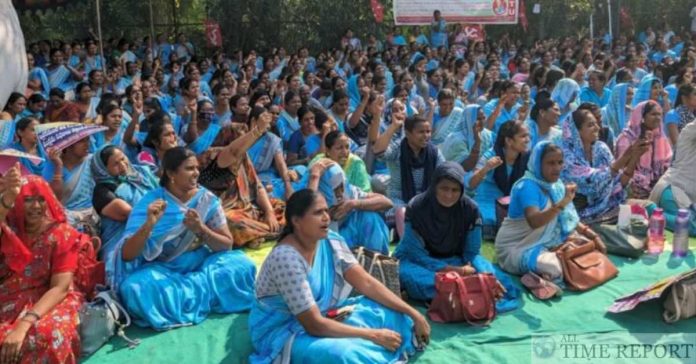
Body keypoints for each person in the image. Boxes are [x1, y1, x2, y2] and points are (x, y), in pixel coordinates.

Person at [248, 189, 430, 364]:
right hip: (284, 333)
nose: (326, 217)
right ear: (296, 221)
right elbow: (314, 325)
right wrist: (373, 335)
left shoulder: (330, 240)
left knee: (389, 312)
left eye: (326, 211)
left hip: (324, 315)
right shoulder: (285, 259)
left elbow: (366, 282)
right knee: (346, 355)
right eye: (318, 212)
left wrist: (413, 313)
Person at [108, 147, 256, 329]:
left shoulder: (206, 200)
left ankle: (183, 297)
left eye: (197, 168)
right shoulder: (150, 202)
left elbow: (226, 245)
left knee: (242, 265)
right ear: (171, 173)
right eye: (189, 169)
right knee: (134, 289)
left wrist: (201, 229)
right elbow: (128, 255)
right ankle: (206, 294)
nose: (196, 174)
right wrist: (149, 224)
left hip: (200, 264)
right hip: (163, 269)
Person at [394, 162, 520, 310]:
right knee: (408, 275)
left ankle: (459, 291)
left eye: (455, 190)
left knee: (496, 278)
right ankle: (471, 290)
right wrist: (450, 270)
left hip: (457, 260)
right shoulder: (417, 207)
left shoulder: (470, 209)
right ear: (434, 187)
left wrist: (486, 276)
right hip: (419, 262)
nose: (449, 195)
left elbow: (471, 253)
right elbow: (414, 252)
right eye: (444, 188)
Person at [0, 170, 86, 364]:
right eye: (28, 199)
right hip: (12, 296)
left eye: (41, 199)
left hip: (52, 298)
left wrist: (23, 325)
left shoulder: (62, 234)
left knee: (47, 335)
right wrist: (6, 199)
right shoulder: (9, 229)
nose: (36, 206)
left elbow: (60, 287)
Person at [495, 142, 606, 291]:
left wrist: (593, 236)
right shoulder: (527, 186)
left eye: (560, 162)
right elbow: (534, 221)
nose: (557, 168)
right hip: (517, 248)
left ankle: (543, 275)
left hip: (548, 243)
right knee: (555, 268)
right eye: (550, 163)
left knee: (589, 252)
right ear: (537, 163)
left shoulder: (556, 185)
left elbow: (569, 218)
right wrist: (563, 202)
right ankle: (541, 276)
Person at [198, 109, 285, 248]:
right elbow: (232, 152)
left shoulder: (243, 158)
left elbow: (257, 187)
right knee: (233, 224)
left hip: (248, 209)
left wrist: (269, 213)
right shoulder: (211, 156)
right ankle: (264, 232)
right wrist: (257, 130)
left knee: (282, 206)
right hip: (225, 211)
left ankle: (262, 232)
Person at [561, 109, 642, 224]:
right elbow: (592, 181)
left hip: (611, 204)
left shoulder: (601, 149)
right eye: (590, 125)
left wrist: (635, 156)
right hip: (585, 216)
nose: (597, 128)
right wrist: (624, 158)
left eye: (596, 124)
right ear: (576, 131)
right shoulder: (567, 157)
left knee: (649, 208)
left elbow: (619, 182)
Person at [308, 159, 392, 254]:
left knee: (369, 216)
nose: (340, 194)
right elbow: (307, 216)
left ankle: (373, 262)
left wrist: (353, 204)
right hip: (321, 248)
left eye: (341, 186)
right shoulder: (306, 194)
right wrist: (314, 177)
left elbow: (387, 203)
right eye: (335, 188)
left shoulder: (349, 191)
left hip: (347, 239)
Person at [91, 145, 159, 258]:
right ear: (104, 169)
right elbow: (129, 213)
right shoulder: (102, 190)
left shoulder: (140, 175)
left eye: (123, 159)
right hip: (121, 245)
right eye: (115, 164)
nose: (123, 166)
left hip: (152, 231)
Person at [465, 121, 530, 238]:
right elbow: (471, 184)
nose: (527, 140)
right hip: (487, 200)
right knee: (487, 220)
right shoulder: (492, 155)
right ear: (509, 141)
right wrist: (486, 168)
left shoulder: (526, 157)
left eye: (528, 136)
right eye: (523, 136)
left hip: (511, 201)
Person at [372, 114, 445, 218]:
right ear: (407, 133)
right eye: (421, 132)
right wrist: (393, 127)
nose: (426, 135)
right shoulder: (398, 149)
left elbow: (444, 172)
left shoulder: (433, 152)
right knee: (406, 213)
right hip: (399, 199)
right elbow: (378, 151)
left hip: (427, 199)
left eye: (428, 132)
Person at [615, 100, 672, 199]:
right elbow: (622, 168)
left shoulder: (660, 138)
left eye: (660, 115)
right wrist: (644, 181)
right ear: (641, 117)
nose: (658, 118)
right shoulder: (626, 138)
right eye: (653, 114)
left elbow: (668, 161)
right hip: (632, 185)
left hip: (657, 185)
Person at [44, 134, 98, 234]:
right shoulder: (52, 164)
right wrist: (58, 166)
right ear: (67, 144)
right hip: (64, 218)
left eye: (88, 140)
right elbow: (55, 198)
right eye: (82, 141)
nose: (87, 144)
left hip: (90, 216)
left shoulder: (92, 161)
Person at [650, 121, 696, 236]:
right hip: (673, 189)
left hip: (689, 199)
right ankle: (650, 212)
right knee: (689, 226)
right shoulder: (689, 132)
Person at [440, 104, 494, 171]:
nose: (482, 122)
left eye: (483, 118)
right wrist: (477, 142)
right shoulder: (456, 139)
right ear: (469, 119)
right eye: (478, 119)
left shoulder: (487, 135)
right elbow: (465, 168)